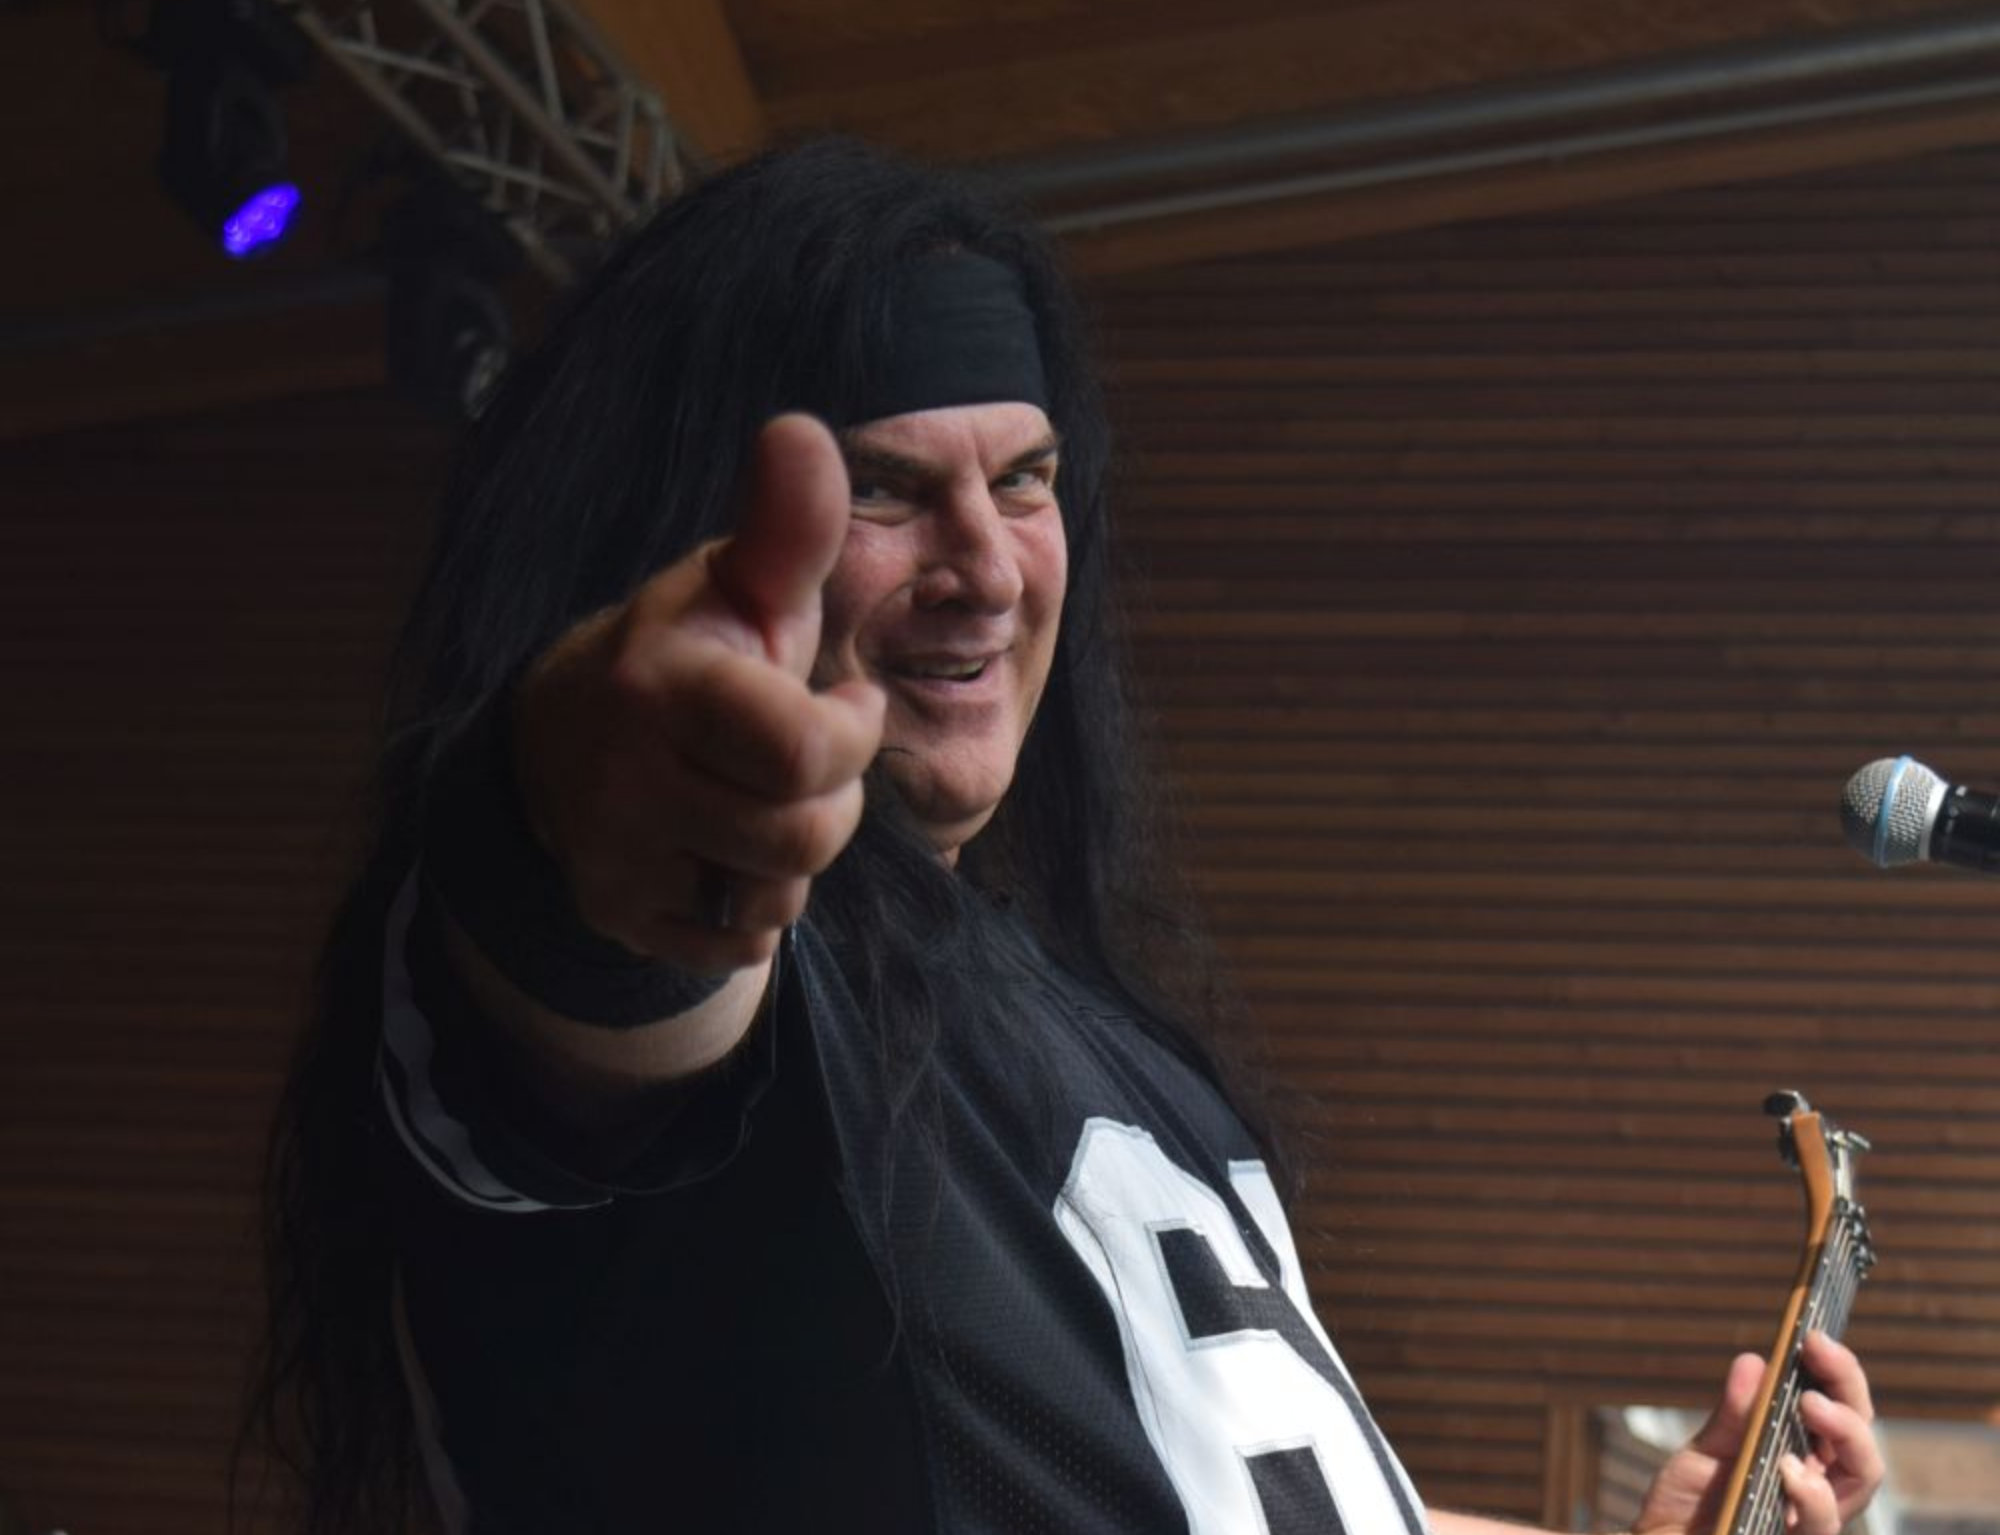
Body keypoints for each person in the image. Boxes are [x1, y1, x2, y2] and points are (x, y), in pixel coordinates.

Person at [249, 138, 1883, 1535]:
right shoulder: (720, 975)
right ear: (685, 530)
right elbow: (589, 939)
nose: (987, 568)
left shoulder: (1075, 1013)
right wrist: (590, 802)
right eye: (887, 490)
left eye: (1025, 481)